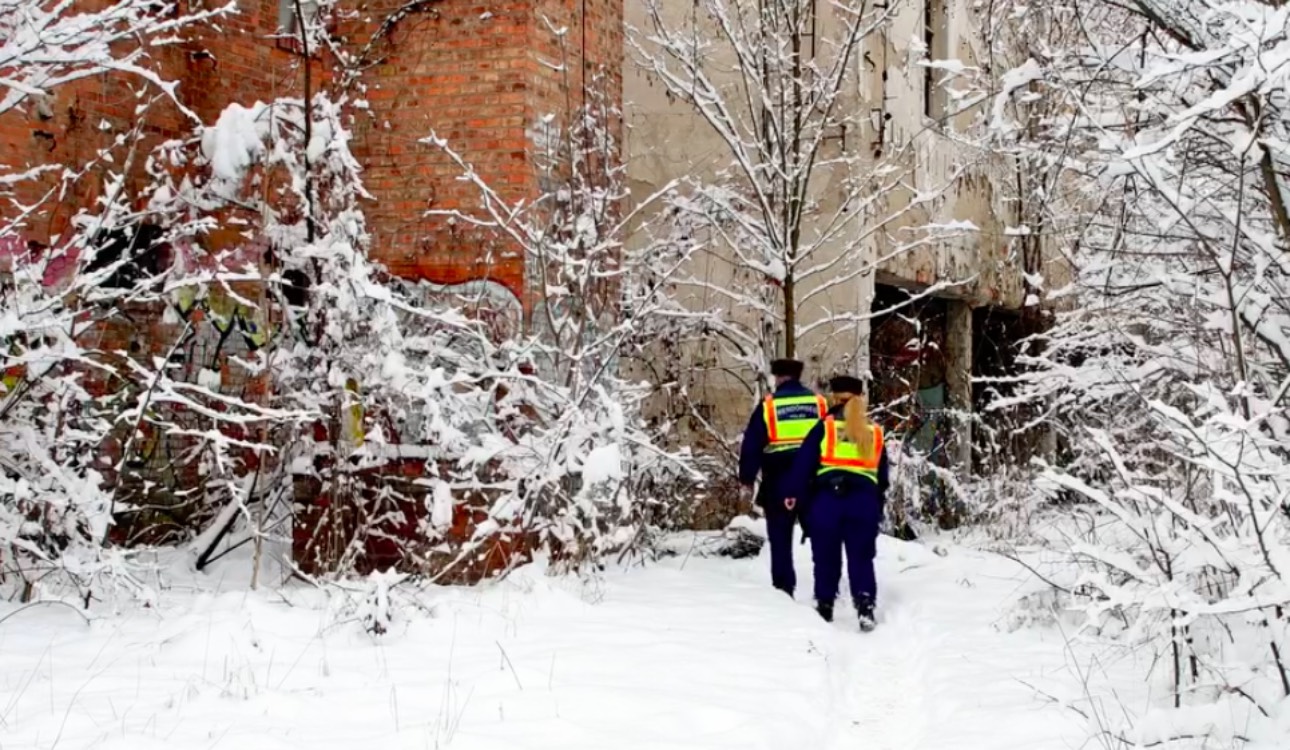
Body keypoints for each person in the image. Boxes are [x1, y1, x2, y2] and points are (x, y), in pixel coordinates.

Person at [784, 375, 888, 631]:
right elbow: (883, 478)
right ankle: (865, 606)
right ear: (860, 400)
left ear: (835, 398)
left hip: (828, 501)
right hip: (863, 502)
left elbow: (802, 465)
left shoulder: (825, 428)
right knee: (862, 557)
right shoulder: (873, 433)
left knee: (826, 556)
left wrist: (792, 494)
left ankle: (825, 606)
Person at [738, 358, 827, 598]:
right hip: (813, 480)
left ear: (777, 378)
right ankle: (826, 590)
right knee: (822, 536)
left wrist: (747, 478)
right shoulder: (818, 403)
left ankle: (784, 590)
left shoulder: (769, 406)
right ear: (798, 376)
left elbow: (752, 443)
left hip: (779, 480)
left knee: (780, 538)